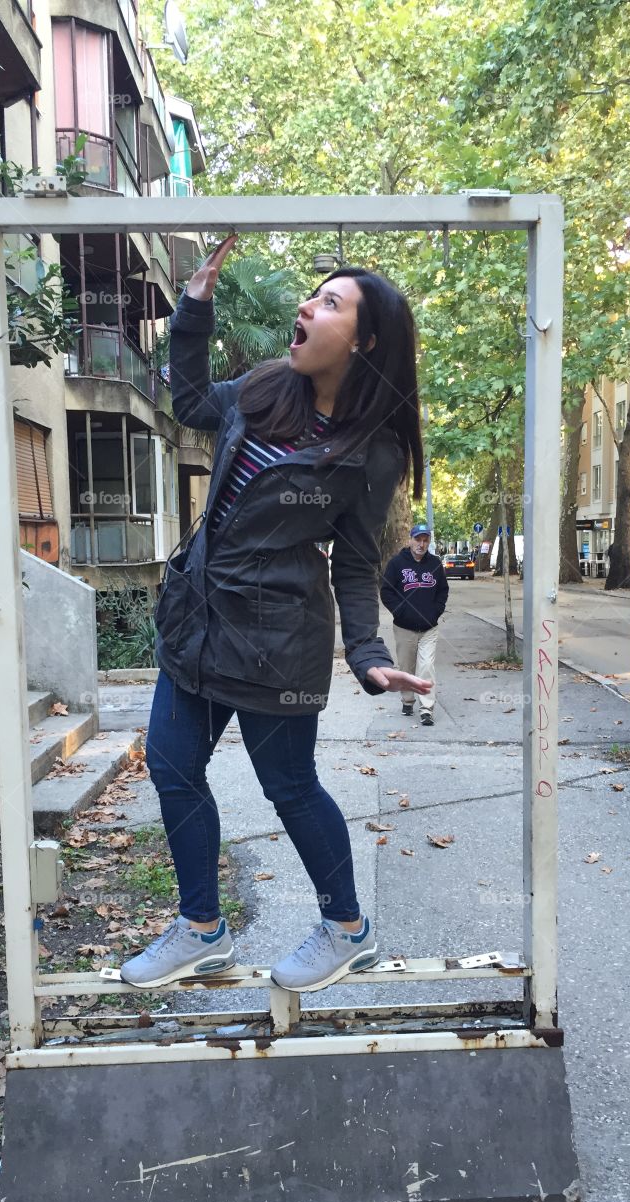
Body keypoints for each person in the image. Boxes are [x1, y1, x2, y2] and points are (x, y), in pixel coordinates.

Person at [119, 234, 431, 994]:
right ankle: (201, 927)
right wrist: (191, 311)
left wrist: (366, 650)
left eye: (330, 303)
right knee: (171, 764)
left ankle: (345, 928)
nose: (306, 305)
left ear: (364, 341)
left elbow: (356, 562)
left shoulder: (373, 451)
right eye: (313, 294)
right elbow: (190, 402)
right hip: (197, 614)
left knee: (288, 786)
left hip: (276, 638)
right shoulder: (265, 387)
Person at [380, 524, 449, 726]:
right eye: (418, 539)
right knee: (406, 666)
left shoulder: (435, 564)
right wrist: (399, 611)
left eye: (425, 540)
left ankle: (426, 708)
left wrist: (435, 611)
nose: (421, 544)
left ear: (429, 542)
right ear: (410, 540)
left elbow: (443, 591)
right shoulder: (397, 563)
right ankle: (407, 700)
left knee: (426, 666)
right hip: (404, 627)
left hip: (429, 627)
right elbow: (386, 592)